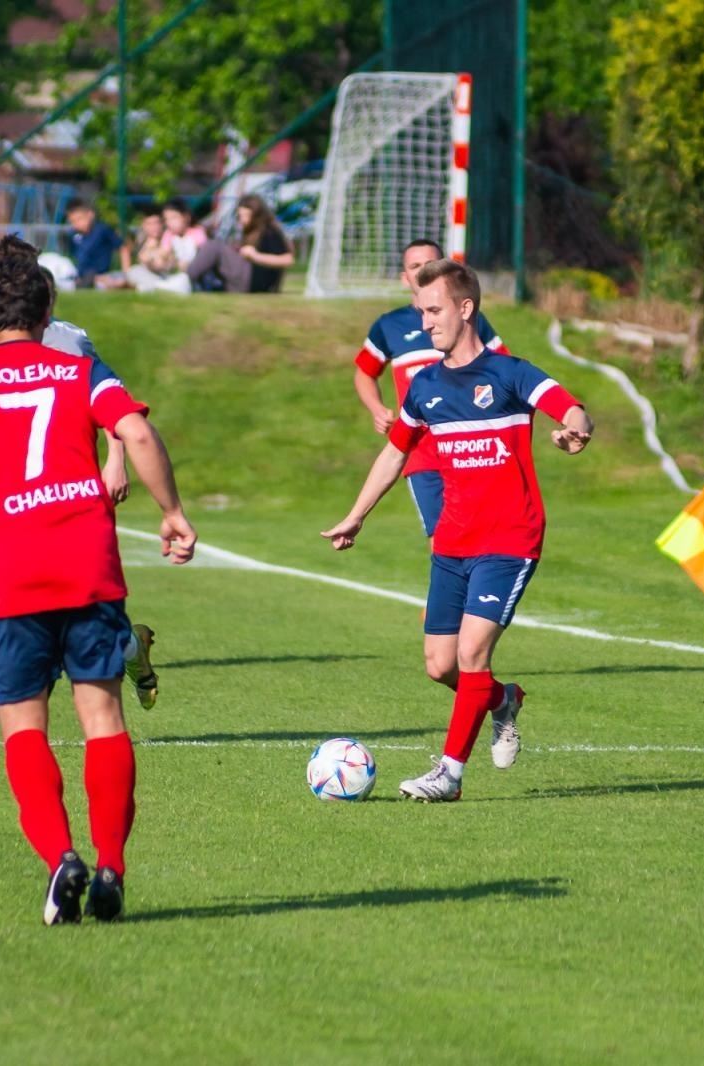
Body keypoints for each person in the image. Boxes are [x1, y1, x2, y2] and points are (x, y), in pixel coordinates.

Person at [0, 236, 197, 924]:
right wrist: (171, 512)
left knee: (24, 727)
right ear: (48, 312)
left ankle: (62, 861)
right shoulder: (77, 369)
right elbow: (135, 433)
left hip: (13, 574)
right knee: (103, 719)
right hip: (88, 563)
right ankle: (111, 864)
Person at [322, 258, 594, 802]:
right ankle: (503, 700)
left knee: (472, 653)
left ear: (466, 308)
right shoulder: (424, 387)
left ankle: (448, 774)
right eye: (421, 311)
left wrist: (575, 431)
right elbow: (394, 454)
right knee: (440, 664)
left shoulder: (511, 374)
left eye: (434, 310)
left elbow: (573, 409)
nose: (425, 323)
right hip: (452, 543)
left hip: (509, 540)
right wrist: (357, 514)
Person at [0, 241, 164, 710]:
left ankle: (118, 653)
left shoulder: (68, 339)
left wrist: (114, 460)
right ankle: (124, 650)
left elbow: (115, 404)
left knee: (78, 605)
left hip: (73, 495)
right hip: (12, 508)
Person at [352, 239, 510, 536]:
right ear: (404, 277)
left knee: (483, 533)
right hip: (423, 452)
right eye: (415, 266)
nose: (424, 271)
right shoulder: (390, 325)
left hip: (471, 446)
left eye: (431, 264)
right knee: (443, 537)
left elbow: (505, 370)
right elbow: (364, 372)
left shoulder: (468, 318)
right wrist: (376, 408)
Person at [184, 194, 295, 294]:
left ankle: (184, 280)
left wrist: (255, 256)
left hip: (254, 282)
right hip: (249, 280)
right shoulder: (252, 231)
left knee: (214, 246)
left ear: (256, 215)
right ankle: (197, 283)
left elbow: (288, 259)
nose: (241, 220)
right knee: (211, 250)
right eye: (239, 216)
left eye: (244, 216)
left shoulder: (269, 232)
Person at [64, 199, 125, 289]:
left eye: (79, 219)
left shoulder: (102, 230)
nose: (76, 224)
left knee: (105, 284)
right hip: (81, 275)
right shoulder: (73, 235)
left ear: (90, 215)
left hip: (102, 275)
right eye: (72, 222)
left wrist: (126, 273)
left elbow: (123, 248)